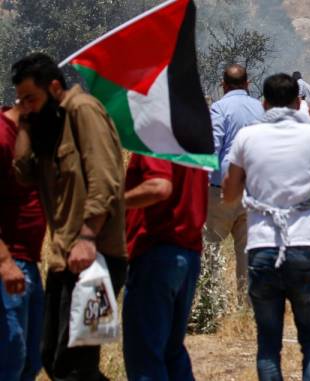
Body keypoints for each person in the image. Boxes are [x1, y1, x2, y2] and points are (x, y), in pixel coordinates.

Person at [12, 53, 127, 381]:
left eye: (31, 98)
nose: (27, 105)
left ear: (54, 86)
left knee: (75, 364)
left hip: (95, 256)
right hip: (66, 258)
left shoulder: (83, 110)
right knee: (51, 355)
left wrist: (89, 236)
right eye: (21, 99)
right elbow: (23, 173)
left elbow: (105, 178)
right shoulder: (48, 124)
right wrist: (25, 123)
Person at [222, 73, 310, 381]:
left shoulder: (247, 137)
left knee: (268, 345)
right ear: (297, 102)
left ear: (263, 103)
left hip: (261, 247)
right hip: (303, 246)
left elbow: (230, 194)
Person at [122, 153, 208, 381]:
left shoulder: (158, 129)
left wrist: (114, 200)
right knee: (172, 351)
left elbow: (159, 186)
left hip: (157, 250)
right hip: (188, 250)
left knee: (146, 355)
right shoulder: (193, 132)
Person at [204, 64, 264, 300]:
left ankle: (210, 303)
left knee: (210, 248)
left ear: (223, 85)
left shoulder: (219, 108)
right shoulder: (261, 109)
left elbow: (213, 146)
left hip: (222, 190)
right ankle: (246, 307)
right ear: (248, 84)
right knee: (247, 252)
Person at [0, 104, 46, 381]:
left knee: (30, 358)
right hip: (9, 264)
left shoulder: (28, 137)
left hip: (28, 261)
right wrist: (4, 262)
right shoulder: (2, 135)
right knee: (11, 358)